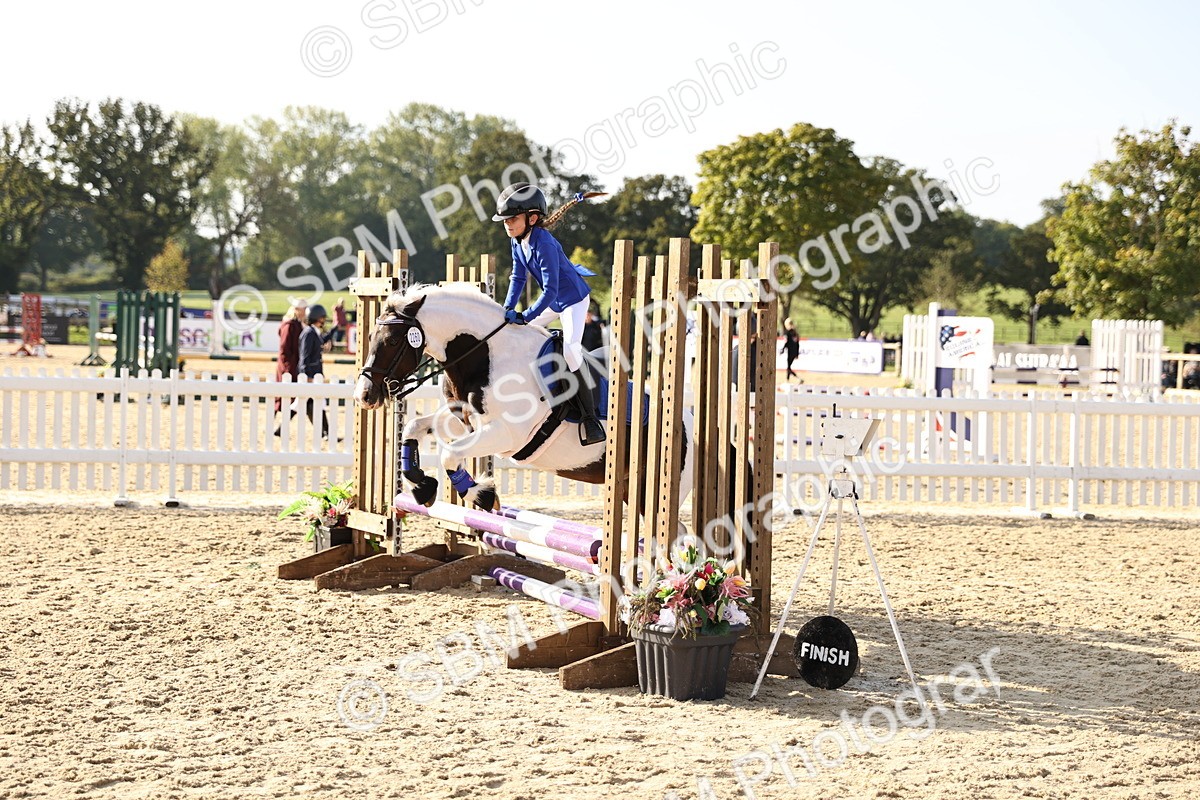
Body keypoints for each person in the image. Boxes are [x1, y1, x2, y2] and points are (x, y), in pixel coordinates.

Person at [494, 182, 606, 446]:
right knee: (513, 330)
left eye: (513, 218)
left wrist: (528, 315)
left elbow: (551, 289)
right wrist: (508, 309)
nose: (507, 224)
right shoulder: (517, 241)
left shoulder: (544, 242)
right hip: (555, 299)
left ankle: (591, 419)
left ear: (532, 218)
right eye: (505, 220)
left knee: (570, 349)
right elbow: (517, 277)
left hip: (573, 301)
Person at [277, 304, 336, 440]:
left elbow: (322, 341)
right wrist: (306, 376)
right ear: (316, 318)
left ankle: (325, 432)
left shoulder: (314, 332)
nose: (324, 320)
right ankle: (326, 433)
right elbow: (304, 357)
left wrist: (335, 328)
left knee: (305, 403)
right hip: (309, 376)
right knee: (312, 403)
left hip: (314, 375)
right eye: (322, 318)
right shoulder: (308, 333)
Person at [274, 299, 306, 414]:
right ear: (297, 310)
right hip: (288, 364)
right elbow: (284, 347)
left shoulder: (298, 324)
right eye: (303, 309)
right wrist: (287, 366)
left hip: (294, 363)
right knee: (282, 396)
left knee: (289, 396)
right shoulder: (289, 326)